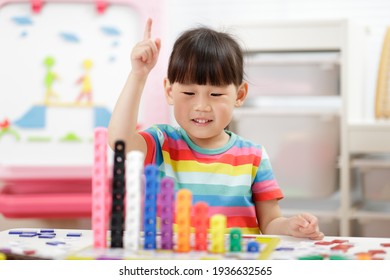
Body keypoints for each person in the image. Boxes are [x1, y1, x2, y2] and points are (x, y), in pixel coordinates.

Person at [108, 18, 324, 240]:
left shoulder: (253, 156)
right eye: (189, 93)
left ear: (239, 95)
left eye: (216, 94)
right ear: (170, 92)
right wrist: (138, 75)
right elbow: (119, 142)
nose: (202, 106)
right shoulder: (162, 143)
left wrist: (290, 226)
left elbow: (270, 222)